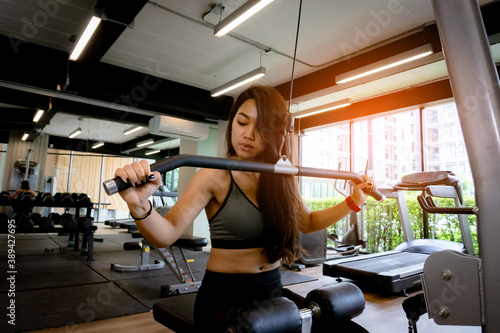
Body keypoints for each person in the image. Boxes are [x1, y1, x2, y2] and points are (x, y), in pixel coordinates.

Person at [114, 85, 376, 331]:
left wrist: (353, 202)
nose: (248, 134)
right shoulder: (214, 175)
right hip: (223, 298)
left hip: (272, 291)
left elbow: (307, 222)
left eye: (260, 127)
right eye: (242, 122)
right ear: (232, 125)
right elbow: (167, 233)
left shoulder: (282, 176)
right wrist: (139, 204)